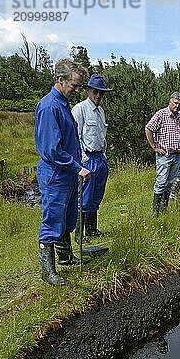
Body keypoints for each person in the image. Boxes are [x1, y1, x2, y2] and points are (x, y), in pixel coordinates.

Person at [35, 58, 91, 286]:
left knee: (68, 218)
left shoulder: (62, 104)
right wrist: (77, 167)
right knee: (53, 220)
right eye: (75, 86)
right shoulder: (49, 106)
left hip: (67, 173)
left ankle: (66, 256)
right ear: (60, 80)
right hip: (55, 175)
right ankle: (48, 272)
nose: (77, 91)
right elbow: (51, 149)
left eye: (79, 86)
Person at [72, 73, 113, 243]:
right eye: (95, 91)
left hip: (99, 157)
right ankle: (79, 234)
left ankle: (92, 230)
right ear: (88, 90)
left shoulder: (101, 111)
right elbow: (76, 136)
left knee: (96, 196)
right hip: (87, 158)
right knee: (84, 197)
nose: (98, 95)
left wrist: (103, 156)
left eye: (101, 92)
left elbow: (101, 134)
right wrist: (82, 160)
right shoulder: (80, 109)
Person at [145, 92, 180, 216]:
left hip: (177, 155)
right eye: (175, 103)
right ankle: (155, 213)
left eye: (179, 104)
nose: (177, 106)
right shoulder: (161, 114)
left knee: (170, 183)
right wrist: (154, 147)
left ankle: (164, 211)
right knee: (161, 182)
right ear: (170, 101)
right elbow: (148, 128)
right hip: (165, 155)